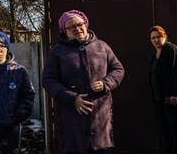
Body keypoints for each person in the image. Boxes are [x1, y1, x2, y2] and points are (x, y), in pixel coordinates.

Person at [42, 10, 125, 154]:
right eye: (71, 27)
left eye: (80, 24)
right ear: (64, 31)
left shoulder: (101, 46)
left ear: (86, 24)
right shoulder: (57, 51)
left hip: (100, 116)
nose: (77, 29)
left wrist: (106, 83)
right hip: (71, 116)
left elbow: (118, 69)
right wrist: (72, 98)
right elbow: (48, 80)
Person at [147, 25, 177, 154]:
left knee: (175, 132)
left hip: (172, 99)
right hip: (159, 99)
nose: (156, 40)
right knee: (164, 133)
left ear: (165, 36)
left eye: (158, 37)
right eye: (153, 38)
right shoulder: (155, 54)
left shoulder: (172, 50)